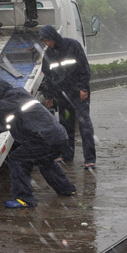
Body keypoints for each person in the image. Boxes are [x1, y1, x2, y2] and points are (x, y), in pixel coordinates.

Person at [0, 78, 75, 208]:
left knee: (17, 159)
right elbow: (2, 125)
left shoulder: (14, 97)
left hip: (45, 138)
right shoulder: (16, 103)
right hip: (57, 137)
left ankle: (24, 199)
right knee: (45, 161)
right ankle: (67, 189)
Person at [38, 24, 97, 169]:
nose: (47, 43)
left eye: (48, 40)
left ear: (53, 37)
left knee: (84, 125)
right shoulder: (49, 54)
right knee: (66, 125)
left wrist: (83, 88)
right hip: (62, 95)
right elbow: (48, 77)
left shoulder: (73, 46)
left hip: (78, 93)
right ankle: (66, 154)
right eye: (45, 41)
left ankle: (89, 159)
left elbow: (84, 68)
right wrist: (49, 96)